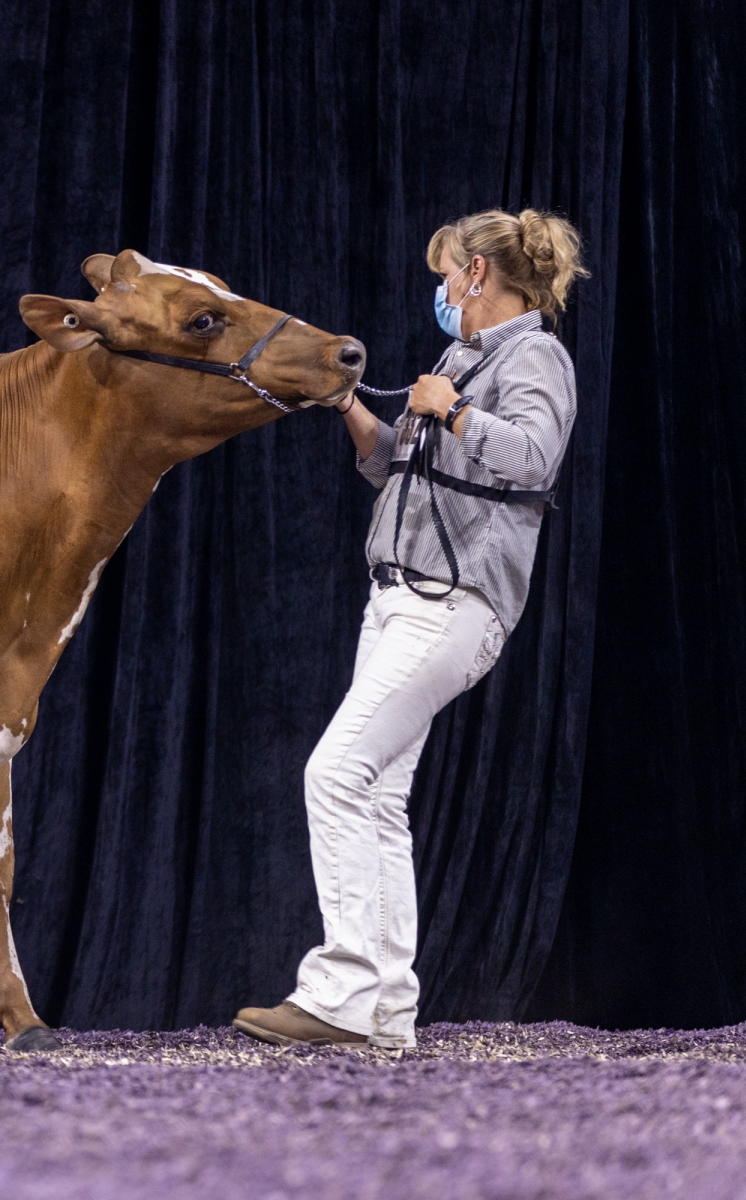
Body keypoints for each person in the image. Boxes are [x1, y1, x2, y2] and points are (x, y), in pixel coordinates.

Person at [234, 209, 588, 1049]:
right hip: (401, 597)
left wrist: (455, 410)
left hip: (453, 602)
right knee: (378, 797)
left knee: (334, 773)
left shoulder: (534, 356)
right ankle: (387, 1015)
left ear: (478, 274)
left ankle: (341, 992)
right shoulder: (463, 358)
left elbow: (534, 458)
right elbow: (410, 470)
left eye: (446, 274)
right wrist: (354, 411)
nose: (441, 289)